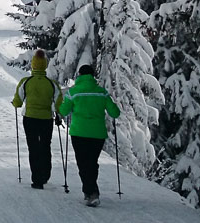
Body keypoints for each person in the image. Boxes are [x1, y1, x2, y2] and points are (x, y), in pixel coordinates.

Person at [58, 64, 120, 207]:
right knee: (92, 162)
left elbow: (64, 111)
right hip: (97, 134)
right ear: (92, 76)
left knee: (83, 163)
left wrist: (60, 111)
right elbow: (115, 113)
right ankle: (91, 191)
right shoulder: (102, 92)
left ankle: (91, 192)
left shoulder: (73, 92)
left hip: (79, 133)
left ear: (79, 75)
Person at [11, 49, 64, 189]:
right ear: (45, 65)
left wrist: (15, 103)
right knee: (45, 146)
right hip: (46, 119)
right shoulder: (51, 83)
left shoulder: (26, 81)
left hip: (30, 119)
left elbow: (18, 101)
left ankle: (37, 179)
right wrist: (57, 113)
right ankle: (45, 174)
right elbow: (58, 101)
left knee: (33, 147)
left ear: (33, 65)